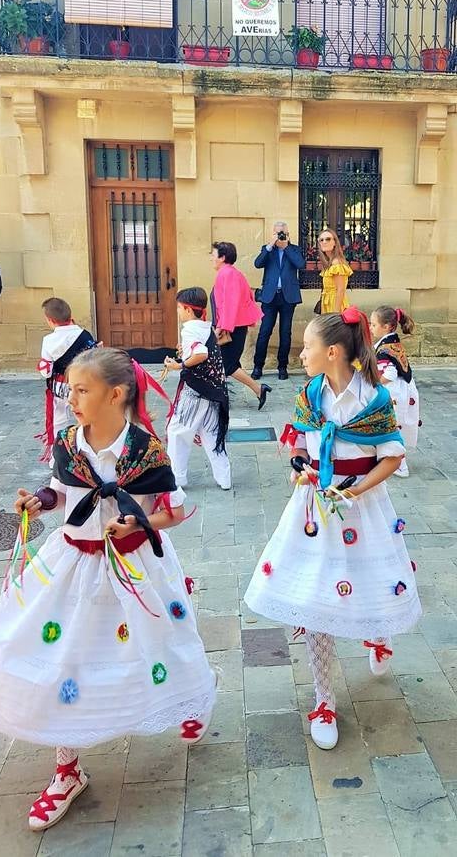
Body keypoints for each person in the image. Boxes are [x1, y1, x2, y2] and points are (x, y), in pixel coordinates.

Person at [0, 347, 216, 831]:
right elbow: (60, 491)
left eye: (81, 390)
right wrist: (40, 499)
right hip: (72, 563)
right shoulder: (69, 444)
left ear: (115, 395)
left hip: (132, 569)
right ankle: (66, 767)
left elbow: (172, 512)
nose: (70, 398)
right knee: (64, 659)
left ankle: (185, 700)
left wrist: (138, 524)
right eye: (68, 389)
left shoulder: (145, 451)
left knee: (160, 641)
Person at [245, 308, 421, 750]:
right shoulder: (310, 392)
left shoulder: (374, 400)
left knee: (369, 580)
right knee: (315, 599)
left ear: (333, 352)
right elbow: (300, 445)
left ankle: (377, 633)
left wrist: (360, 489)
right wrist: (301, 469)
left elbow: (392, 454)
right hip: (317, 508)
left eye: (307, 347)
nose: (301, 354)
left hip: (361, 504)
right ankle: (324, 699)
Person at [164, 287, 231, 491]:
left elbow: (201, 354)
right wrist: (185, 354)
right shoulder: (204, 327)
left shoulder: (190, 329)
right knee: (210, 434)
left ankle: (177, 478)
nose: (177, 311)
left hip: (195, 391)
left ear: (186, 309)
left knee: (176, 432)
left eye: (178, 307)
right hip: (213, 390)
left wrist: (179, 365)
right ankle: (224, 477)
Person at [210, 241, 270, 410]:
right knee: (224, 364)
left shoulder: (227, 274)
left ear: (222, 257)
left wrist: (222, 327)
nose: (211, 259)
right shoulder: (231, 273)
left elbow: (230, 303)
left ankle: (258, 389)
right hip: (233, 326)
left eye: (213, 255)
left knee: (228, 365)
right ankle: (220, 397)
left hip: (232, 327)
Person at [37, 297, 97, 463]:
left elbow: (46, 372)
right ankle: (90, 452)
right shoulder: (85, 335)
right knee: (86, 416)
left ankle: (58, 457)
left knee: (59, 419)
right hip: (84, 384)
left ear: (50, 320)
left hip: (60, 385)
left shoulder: (48, 341)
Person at [251, 221, 305, 381]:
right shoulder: (267, 249)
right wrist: (271, 245)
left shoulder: (294, 249)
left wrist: (286, 246)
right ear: (272, 234)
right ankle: (257, 366)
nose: (280, 235)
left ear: (288, 234)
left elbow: (300, 264)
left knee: (285, 332)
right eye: (277, 233)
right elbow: (257, 263)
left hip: (288, 297)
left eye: (283, 233)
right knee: (265, 331)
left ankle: (282, 367)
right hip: (269, 296)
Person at [370, 306, 420, 479]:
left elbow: (389, 374)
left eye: (374, 324)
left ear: (387, 327)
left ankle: (399, 465)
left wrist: (373, 383)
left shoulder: (384, 349)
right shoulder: (392, 342)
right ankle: (387, 459)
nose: (371, 327)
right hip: (404, 390)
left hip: (395, 394)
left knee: (391, 427)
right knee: (393, 426)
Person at [317, 228, 353, 314]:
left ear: (335, 243)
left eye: (328, 239)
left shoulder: (337, 263)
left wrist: (336, 313)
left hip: (335, 304)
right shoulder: (329, 262)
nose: (324, 242)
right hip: (327, 303)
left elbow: (341, 289)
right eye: (321, 240)